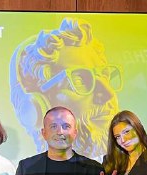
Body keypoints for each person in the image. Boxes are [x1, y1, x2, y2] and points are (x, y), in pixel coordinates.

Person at [10, 18, 121, 160]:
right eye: (80, 80)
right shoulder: (28, 168)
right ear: (37, 105)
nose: (108, 94)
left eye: (105, 76)